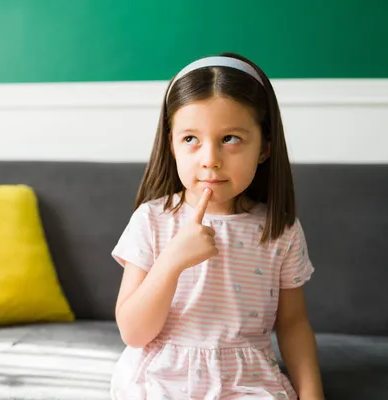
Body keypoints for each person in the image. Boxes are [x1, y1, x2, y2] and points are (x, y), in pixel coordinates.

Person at [110, 53, 324, 399]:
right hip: (162, 381)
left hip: (247, 381)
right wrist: (172, 260)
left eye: (230, 139)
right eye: (190, 139)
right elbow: (133, 333)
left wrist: (313, 395)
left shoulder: (279, 230)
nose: (209, 159)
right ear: (172, 145)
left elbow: (293, 324)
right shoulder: (152, 220)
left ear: (264, 148)